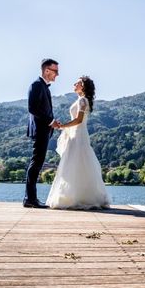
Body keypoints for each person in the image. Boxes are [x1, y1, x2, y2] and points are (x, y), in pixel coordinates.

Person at [46, 76, 110, 210]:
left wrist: (62, 126)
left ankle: (77, 196)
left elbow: (79, 120)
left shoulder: (82, 100)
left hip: (78, 134)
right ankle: (78, 195)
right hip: (76, 134)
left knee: (75, 162)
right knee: (76, 163)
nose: (74, 84)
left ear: (83, 86)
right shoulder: (81, 100)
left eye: (78, 82)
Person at [24, 58, 60, 209]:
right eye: (55, 71)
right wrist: (50, 121)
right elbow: (32, 108)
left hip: (44, 130)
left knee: (37, 163)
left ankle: (30, 199)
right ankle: (30, 199)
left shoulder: (45, 87)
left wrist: (52, 122)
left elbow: (42, 110)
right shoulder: (36, 85)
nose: (57, 75)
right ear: (46, 71)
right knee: (36, 163)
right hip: (40, 130)